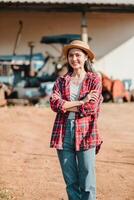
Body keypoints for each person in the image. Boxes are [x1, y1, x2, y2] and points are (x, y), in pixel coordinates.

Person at [49, 40, 103, 200]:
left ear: (86, 57)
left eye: (78, 55)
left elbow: (91, 108)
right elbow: (54, 104)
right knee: (71, 182)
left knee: (87, 182)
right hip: (63, 132)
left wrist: (65, 105)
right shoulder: (61, 81)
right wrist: (81, 101)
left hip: (87, 132)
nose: (74, 59)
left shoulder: (94, 79)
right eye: (71, 55)